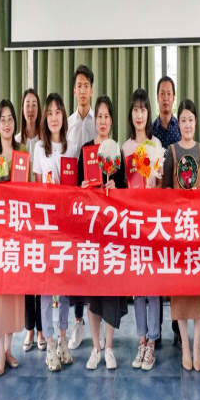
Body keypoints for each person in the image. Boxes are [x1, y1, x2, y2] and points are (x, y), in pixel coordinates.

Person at [77, 95, 128, 370]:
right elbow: (76, 191)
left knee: (111, 290)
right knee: (92, 291)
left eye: (107, 116)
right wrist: (84, 187)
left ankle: (109, 347)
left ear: (112, 120)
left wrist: (115, 189)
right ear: (94, 119)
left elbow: (126, 192)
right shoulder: (86, 150)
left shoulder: (116, 152)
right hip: (90, 231)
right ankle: (95, 348)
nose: (103, 121)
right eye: (99, 116)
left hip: (111, 231)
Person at [162, 99, 200, 371]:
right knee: (179, 291)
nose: (187, 124)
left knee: (199, 290)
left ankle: (197, 347)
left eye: (191, 119)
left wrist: (199, 193)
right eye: (183, 120)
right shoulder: (171, 151)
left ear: (196, 121)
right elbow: (164, 190)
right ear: (178, 124)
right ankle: (184, 345)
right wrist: (177, 195)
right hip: (178, 232)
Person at [33, 92, 78, 371]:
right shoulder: (39, 148)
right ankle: (49, 343)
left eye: (57, 112)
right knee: (46, 287)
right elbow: (37, 186)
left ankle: (63, 338)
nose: (53, 117)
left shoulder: (72, 147)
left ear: (63, 115)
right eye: (49, 113)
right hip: (46, 226)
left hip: (67, 227)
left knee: (64, 286)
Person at [0, 99, 27, 376]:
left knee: (13, 294)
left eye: (10, 118)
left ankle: (10, 349)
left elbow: (30, 191)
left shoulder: (23, 152)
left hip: (18, 231)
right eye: (3, 119)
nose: (7, 123)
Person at [122, 88, 163, 371]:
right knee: (138, 285)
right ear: (131, 114)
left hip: (152, 223)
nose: (139, 114)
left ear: (149, 113)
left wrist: (151, 188)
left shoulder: (155, 144)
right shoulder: (124, 147)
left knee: (153, 285)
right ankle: (141, 339)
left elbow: (160, 184)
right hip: (133, 224)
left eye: (143, 109)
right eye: (135, 109)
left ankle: (153, 342)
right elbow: (122, 187)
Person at [66, 65, 96, 351]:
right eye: (79, 86)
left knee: (93, 260)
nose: (83, 90)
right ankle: (77, 321)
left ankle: (95, 317)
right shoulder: (67, 123)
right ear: (74, 91)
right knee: (76, 261)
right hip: (73, 200)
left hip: (95, 203)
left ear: (91, 90)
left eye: (87, 85)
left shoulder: (100, 121)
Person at [152, 76, 182, 348]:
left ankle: (177, 328)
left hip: (176, 209)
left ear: (173, 97)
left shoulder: (180, 128)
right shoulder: (150, 132)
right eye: (161, 93)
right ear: (157, 97)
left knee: (174, 270)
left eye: (168, 93)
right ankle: (157, 330)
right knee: (157, 272)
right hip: (154, 211)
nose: (165, 97)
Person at [18, 88, 46, 353]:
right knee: (27, 274)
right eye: (27, 104)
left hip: (42, 213)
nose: (30, 109)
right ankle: (29, 329)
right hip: (22, 215)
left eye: (34, 104)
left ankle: (41, 331)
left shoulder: (44, 139)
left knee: (41, 272)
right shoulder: (15, 140)